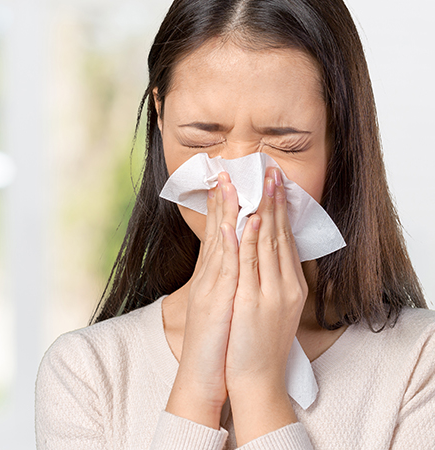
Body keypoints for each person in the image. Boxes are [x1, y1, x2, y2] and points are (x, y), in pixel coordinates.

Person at [35, 0, 435, 448]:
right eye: (201, 138)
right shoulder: (88, 372)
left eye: (286, 144)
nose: (240, 186)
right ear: (160, 118)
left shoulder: (419, 364)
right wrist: (197, 391)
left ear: (337, 137)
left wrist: (258, 388)